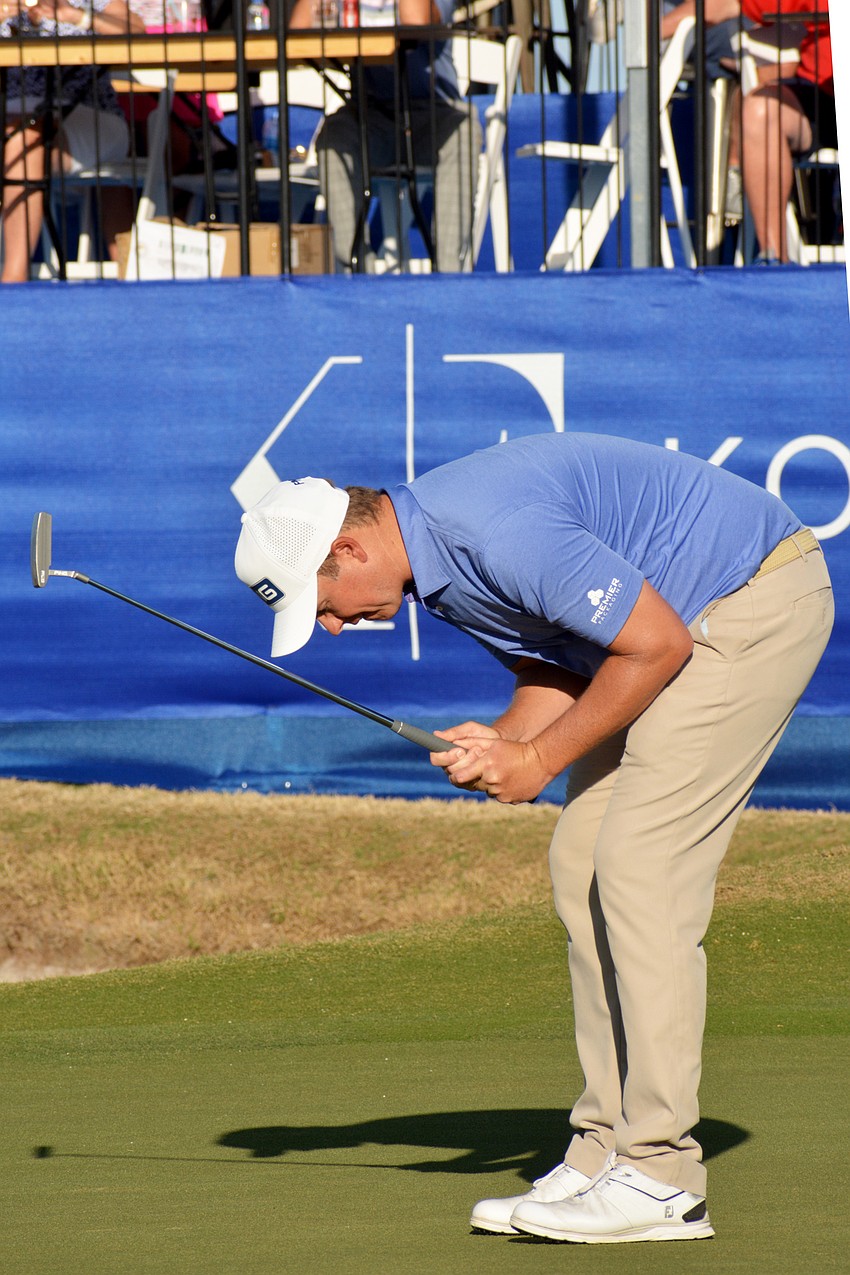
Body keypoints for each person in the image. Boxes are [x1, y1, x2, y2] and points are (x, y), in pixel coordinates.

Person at [235, 433, 833, 1244]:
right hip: (676, 625)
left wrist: (541, 758)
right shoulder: (436, 572)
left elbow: (657, 643)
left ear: (348, 547)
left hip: (749, 598)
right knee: (580, 859)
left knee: (639, 864)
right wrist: (509, 742)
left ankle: (662, 1174)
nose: (333, 627)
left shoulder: (488, 530)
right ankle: (604, 1148)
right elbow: (558, 670)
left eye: (323, 602)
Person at [288, 0, 482, 273]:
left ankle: (447, 274)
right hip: (372, 115)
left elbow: (416, 19)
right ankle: (357, 269)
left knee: (464, 130)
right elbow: (298, 31)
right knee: (335, 136)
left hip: (433, 113)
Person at [662, 0, 833, 262]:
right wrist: (649, 36)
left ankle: (735, 174)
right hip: (822, 99)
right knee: (759, 108)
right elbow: (731, 3)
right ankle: (773, 261)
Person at [0, 0, 144, 282]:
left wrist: (77, 16)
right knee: (22, 131)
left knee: (25, 134)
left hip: (88, 116)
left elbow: (137, 30)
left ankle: (13, 280)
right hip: (12, 119)